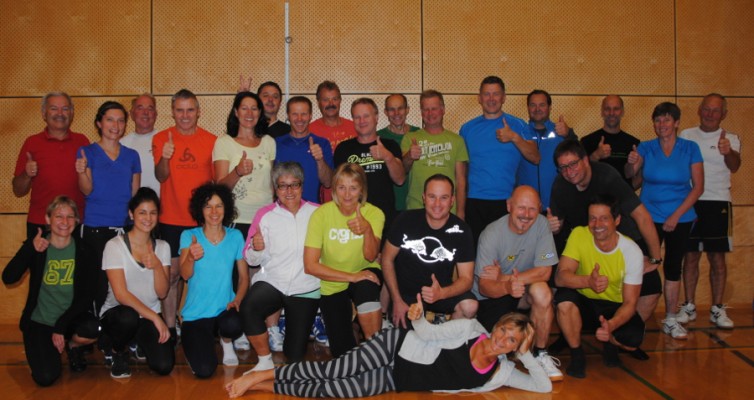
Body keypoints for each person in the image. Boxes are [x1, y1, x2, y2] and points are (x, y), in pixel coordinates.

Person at [225, 300, 551, 397]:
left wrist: (525, 352)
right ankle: (262, 374)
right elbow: (427, 332)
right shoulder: (469, 329)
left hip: (398, 379)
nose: (502, 339)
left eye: (512, 340)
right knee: (332, 370)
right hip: (396, 347)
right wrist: (418, 317)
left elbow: (543, 386)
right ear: (497, 326)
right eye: (504, 330)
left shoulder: (502, 372)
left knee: (333, 391)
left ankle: (266, 385)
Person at [549, 140, 662, 359]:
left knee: (652, 286)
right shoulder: (560, 185)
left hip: (620, 239)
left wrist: (655, 258)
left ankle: (618, 333)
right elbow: (557, 224)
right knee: (558, 282)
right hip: (582, 241)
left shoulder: (607, 176)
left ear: (585, 160)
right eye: (563, 167)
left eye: (573, 164)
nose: (569, 172)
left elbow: (641, 215)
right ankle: (568, 334)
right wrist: (553, 226)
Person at [625, 102, 704, 340]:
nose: (662, 124)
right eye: (658, 120)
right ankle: (632, 316)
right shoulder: (646, 147)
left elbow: (698, 187)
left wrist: (676, 215)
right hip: (649, 217)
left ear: (676, 123)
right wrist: (632, 162)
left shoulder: (690, 148)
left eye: (667, 120)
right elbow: (630, 177)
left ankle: (670, 318)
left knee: (672, 267)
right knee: (642, 264)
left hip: (680, 218)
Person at [3, 196, 99, 386]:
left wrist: (61, 326)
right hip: (40, 320)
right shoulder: (38, 246)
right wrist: (29, 249)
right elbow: (8, 277)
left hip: (69, 319)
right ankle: (45, 345)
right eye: (59, 216)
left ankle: (72, 346)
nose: (65, 222)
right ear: (48, 219)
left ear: (76, 221)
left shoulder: (84, 250)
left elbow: (87, 296)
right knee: (46, 377)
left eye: (70, 217)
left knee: (93, 328)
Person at [472, 186, 562, 381]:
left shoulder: (542, 225)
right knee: (493, 351)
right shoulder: (491, 234)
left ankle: (540, 353)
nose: (526, 215)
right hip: (493, 296)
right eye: (521, 208)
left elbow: (545, 271)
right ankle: (512, 352)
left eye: (532, 209)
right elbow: (485, 286)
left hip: (521, 291)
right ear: (509, 206)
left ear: (539, 208)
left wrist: (504, 277)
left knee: (543, 292)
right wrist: (505, 286)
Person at [554, 195, 645, 378]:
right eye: (592, 218)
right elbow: (560, 277)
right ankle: (577, 355)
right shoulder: (579, 234)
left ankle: (610, 342)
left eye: (604, 218)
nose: (597, 224)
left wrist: (611, 325)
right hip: (584, 302)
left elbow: (630, 303)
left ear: (617, 220)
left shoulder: (632, 251)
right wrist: (588, 282)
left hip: (613, 307)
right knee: (564, 299)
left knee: (633, 340)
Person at [241, 162, 320, 370]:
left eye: (294, 184)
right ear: (275, 189)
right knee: (249, 307)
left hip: (306, 287)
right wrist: (257, 248)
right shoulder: (264, 214)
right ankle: (264, 361)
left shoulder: (318, 212)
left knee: (294, 355)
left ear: (302, 186)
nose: (289, 191)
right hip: (273, 282)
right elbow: (250, 259)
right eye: (282, 185)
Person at [152, 89, 217, 340]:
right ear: (172, 112)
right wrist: (165, 157)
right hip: (171, 219)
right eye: (180, 110)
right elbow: (160, 176)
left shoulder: (211, 141)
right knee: (172, 276)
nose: (185, 115)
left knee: (203, 274)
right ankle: (170, 327)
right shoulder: (161, 138)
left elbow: (216, 182)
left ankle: (204, 323)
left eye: (190, 110)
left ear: (198, 112)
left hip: (202, 222)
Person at [303, 163, 385, 357]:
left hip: (365, 271)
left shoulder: (374, 213)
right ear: (334, 189)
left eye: (353, 188)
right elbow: (310, 265)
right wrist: (351, 277)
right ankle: (353, 326)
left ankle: (377, 354)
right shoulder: (321, 214)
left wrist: (367, 230)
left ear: (362, 190)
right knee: (342, 352)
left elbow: (371, 256)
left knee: (366, 285)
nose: (347, 195)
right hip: (333, 280)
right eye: (342, 187)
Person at [678, 93, 741, 329]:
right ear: (699, 110)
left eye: (715, 110)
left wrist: (728, 152)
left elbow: (735, 166)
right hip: (691, 202)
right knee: (690, 256)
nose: (710, 114)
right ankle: (689, 306)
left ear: (723, 114)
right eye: (706, 109)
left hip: (718, 202)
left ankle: (717, 308)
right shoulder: (686, 135)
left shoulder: (730, 138)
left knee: (717, 258)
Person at [382, 174, 477, 329]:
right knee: (409, 339)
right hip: (407, 295)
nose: (437, 204)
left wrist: (442, 293)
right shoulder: (405, 220)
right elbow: (387, 259)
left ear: (452, 200)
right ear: (424, 198)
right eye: (432, 197)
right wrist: (397, 300)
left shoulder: (462, 230)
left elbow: (467, 279)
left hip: (441, 292)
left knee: (470, 306)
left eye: (444, 198)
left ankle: (445, 337)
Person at [100, 188, 174, 378]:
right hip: (118, 314)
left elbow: (162, 293)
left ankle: (137, 341)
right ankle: (117, 351)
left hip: (147, 316)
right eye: (142, 212)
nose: (148, 218)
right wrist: (156, 318)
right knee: (128, 317)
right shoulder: (114, 246)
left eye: (153, 213)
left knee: (164, 365)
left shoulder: (163, 247)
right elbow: (121, 295)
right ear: (131, 214)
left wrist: (157, 266)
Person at [179, 183, 249, 377]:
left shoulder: (235, 236)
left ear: (226, 208)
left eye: (219, 206)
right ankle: (199, 344)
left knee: (233, 324)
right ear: (200, 210)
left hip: (224, 310)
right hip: (196, 314)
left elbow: (244, 277)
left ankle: (227, 342)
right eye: (208, 206)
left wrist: (237, 300)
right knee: (204, 371)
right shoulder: (189, 236)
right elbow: (185, 275)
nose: (214, 212)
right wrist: (191, 257)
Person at [76, 101, 141, 310]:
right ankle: (96, 325)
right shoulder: (87, 152)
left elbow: (135, 195)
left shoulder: (132, 155)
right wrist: (81, 171)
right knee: (98, 283)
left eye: (121, 121)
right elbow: (86, 190)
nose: (116, 125)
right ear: (99, 123)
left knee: (124, 283)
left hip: (124, 228)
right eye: (110, 120)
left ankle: (120, 326)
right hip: (95, 228)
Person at [460, 76, 540, 244]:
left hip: (507, 202)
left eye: (496, 94)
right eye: (486, 94)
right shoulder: (467, 129)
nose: (491, 99)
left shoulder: (518, 125)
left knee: (505, 253)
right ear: (479, 98)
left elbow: (535, 157)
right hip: (474, 202)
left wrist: (514, 137)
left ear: (503, 97)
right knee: (476, 252)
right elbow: (461, 171)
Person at [13, 92, 90, 240]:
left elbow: (90, 185)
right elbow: (18, 191)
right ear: (44, 113)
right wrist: (27, 175)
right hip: (40, 222)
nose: (60, 113)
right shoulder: (32, 143)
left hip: (75, 222)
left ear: (71, 113)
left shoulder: (82, 142)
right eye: (54, 108)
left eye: (65, 109)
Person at [334, 98, 404, 237]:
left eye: (366, 116)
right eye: (357, 117)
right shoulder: (343, 148)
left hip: (385, 220)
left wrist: (387, 156)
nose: (362, 121)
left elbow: (400, 179)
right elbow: (338, 187)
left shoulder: (390, 145)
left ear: (376, 117)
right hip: (352, 220)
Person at [213, 91, 275, 237]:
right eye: (244, 108)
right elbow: (220, 188)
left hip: (265, 218)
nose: (249, 113)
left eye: (254, 109)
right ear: (236, 112)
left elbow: (271, 183)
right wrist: (238, 172)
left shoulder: (269, 142)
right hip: (237, 218)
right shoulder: (224, 142)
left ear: (260, 112)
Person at [402, 90, 468, 217]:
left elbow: (461, 180)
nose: (430, 113)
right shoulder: (410, 138)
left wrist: (460, 212)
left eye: (434, 109)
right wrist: (409, 156)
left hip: (448, 211)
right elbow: (402, 171)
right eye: (426, 109)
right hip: (416, 208)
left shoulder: (457, 140)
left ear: (443, 110)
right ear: (421, 112)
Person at [517, 89, 576, 209]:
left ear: (550, 107)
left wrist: (569, 134)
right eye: (533, 105)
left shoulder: (561, 132)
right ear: (528, 108)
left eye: (542, 105)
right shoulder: (520, 134)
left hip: (556, 204)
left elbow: (578, 156)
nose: (537, 109)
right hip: (527, 207)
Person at [275, 96, 334, 203]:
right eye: (295, 114)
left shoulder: (322, 143)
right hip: (282, 209)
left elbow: (328, 182)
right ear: (288, 115)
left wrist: (320, 160)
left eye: (304, 114)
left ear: (310, 115)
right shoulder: (276, 144)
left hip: (313, 209)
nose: (299, 119)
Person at [580, 95, 640, 187]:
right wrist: (596, 155)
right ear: (602, 112)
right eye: (607, 109)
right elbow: (579, 173)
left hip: (622, 195)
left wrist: (628, 192)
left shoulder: (634, 143)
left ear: (622, 112)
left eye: (616, 109)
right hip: (596, 195)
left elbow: (641, 176)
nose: (611, 113)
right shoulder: (587, 141)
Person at [377, 93, 420, 212]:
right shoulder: (378, 138)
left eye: (400, 108)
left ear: (407, 110)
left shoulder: (419, 134)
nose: (396, 113)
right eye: (391, 109)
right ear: (385, 112)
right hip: (387, 205)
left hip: (415, 204)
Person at [121, 93, 161, 195]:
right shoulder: (122, 145)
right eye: (140, 108)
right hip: (132, 203)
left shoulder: (165, 141)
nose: (145, 112)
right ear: (132, 114)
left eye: (150, 108)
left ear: (156, 114)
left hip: (161, 203)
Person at [309, 80, 356, 151]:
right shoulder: (309, 131)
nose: (331, 104)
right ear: (318, 103)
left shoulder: (355, 128)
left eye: (335, 99)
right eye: (325, 100)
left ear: (340, 101)